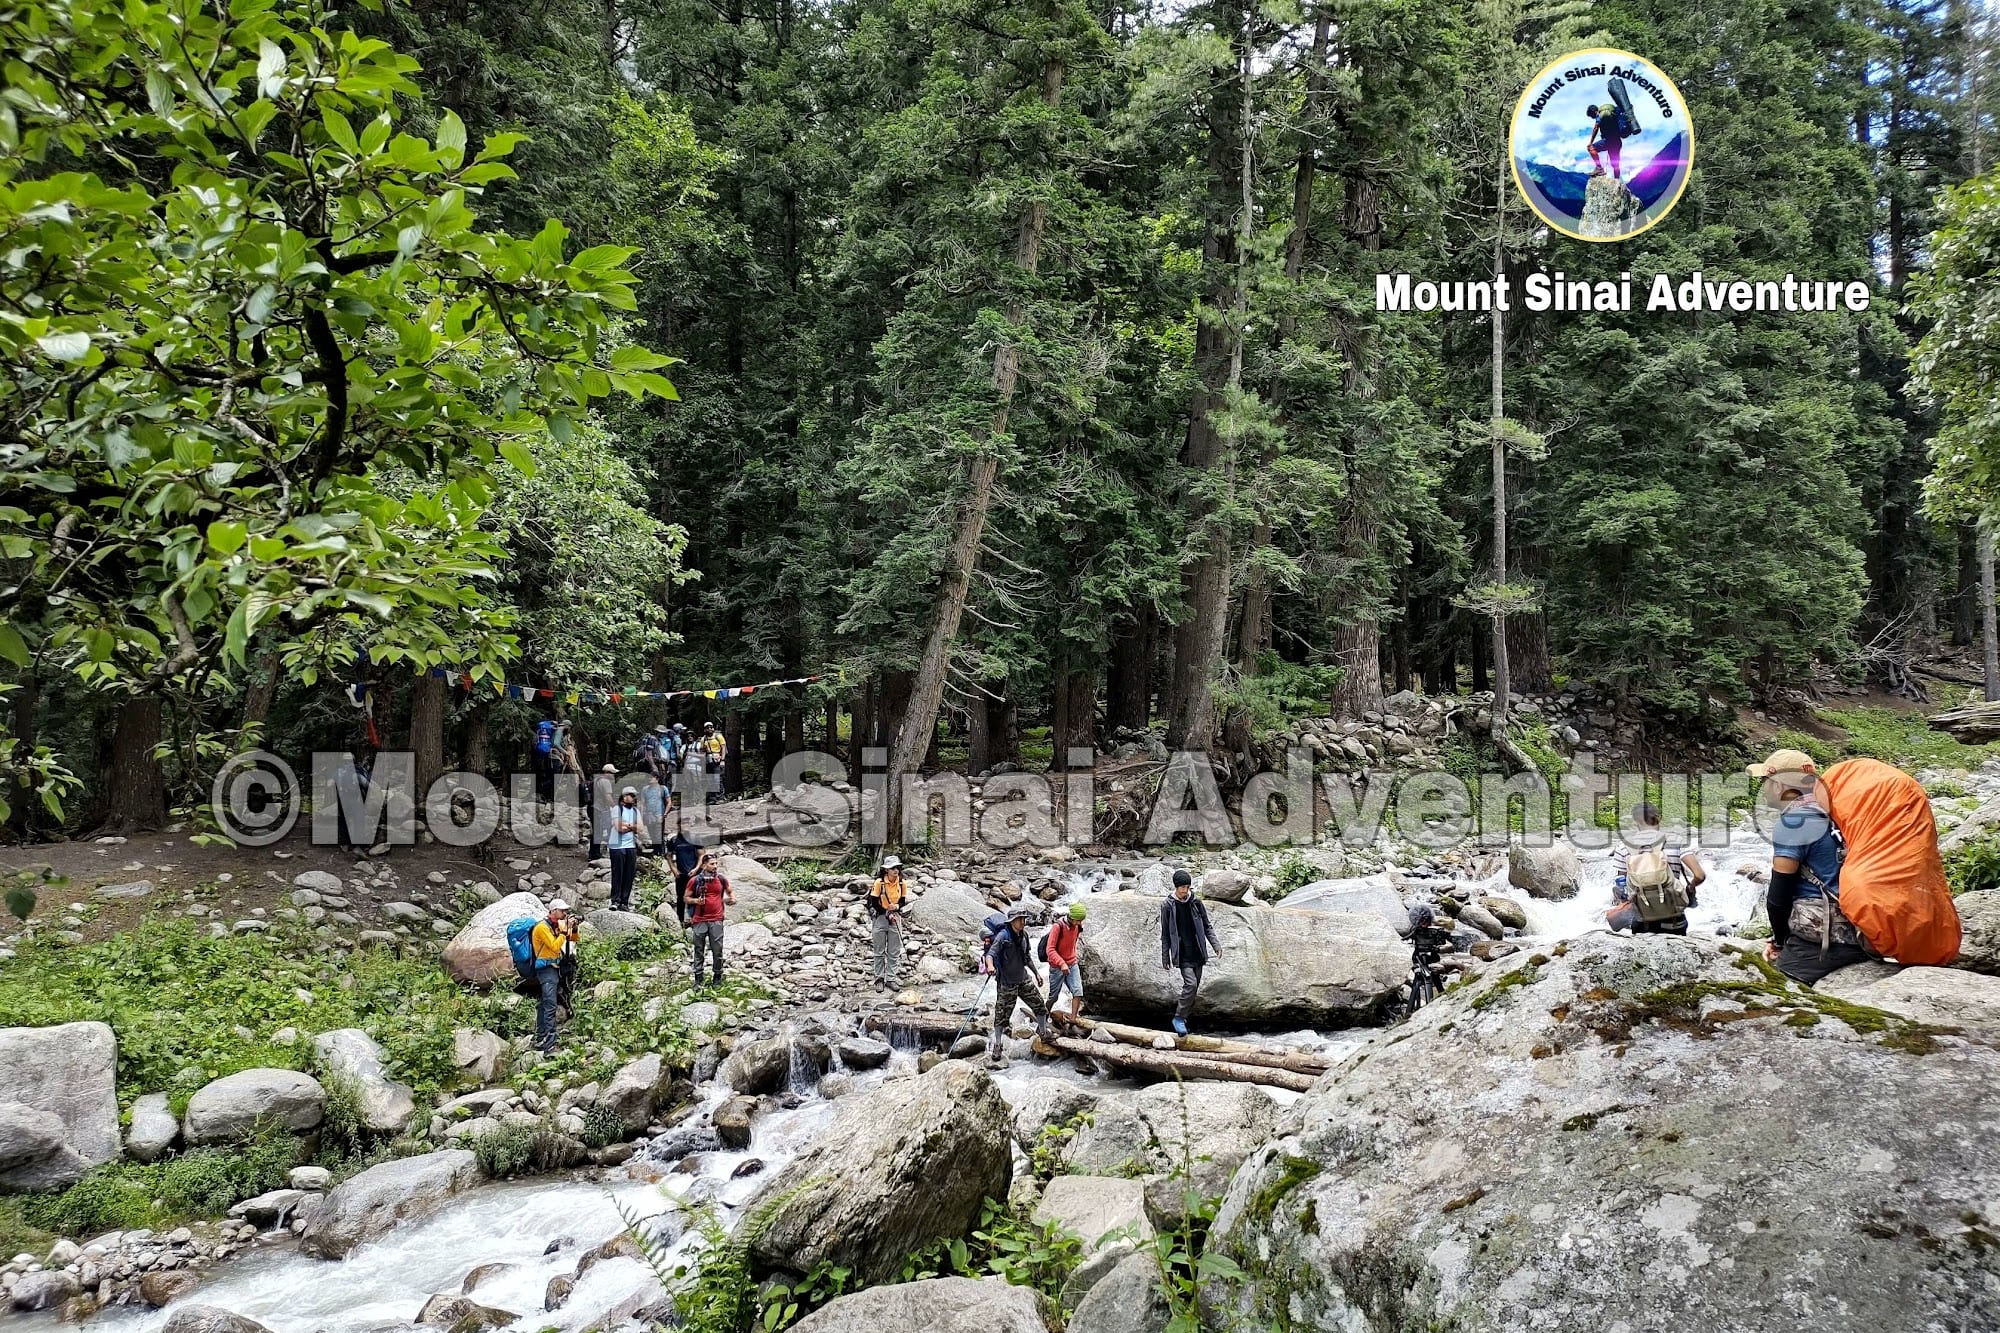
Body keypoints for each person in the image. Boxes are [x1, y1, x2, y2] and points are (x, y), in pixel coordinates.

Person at [1750, 748, 1872, 983]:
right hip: (1856, 931)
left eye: (1765, 780)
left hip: (1822, 942)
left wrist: (1781, 942)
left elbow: (1778, 897)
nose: (1762, 787)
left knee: (1776, 994)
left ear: (1777, 786)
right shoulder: (1830, 814)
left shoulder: (1794, 821)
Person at [1605, 801, 1707, 935]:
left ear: (1635, 821)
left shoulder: (1623, 847)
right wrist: (1690, 888)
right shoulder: (1676, 841)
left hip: (1641, 921)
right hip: (1674, 920)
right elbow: (1699, 875)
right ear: (1659, 818)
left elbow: (1621, 887)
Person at [983, 904, 1050, 1066]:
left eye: (1024, 919)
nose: (1023, 922)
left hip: (1023, 979)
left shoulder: (1024, 936)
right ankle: (997, 1045)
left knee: (1040, 1006)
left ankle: (1043, 1032)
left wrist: (1036, 974)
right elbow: (990, 955)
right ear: (1012, 921)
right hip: (1007, 983)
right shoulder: (1003, 936)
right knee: (1001, 1016)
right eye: (1020, 919)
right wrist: (990, 967)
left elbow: (1026, 957)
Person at [1159, 869, 1222, 1036]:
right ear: (1176, 887)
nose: (1185, 891)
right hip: (1182, 953)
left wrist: (1215, 945)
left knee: (1194, 989)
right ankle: (1178, 1018)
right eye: (1182, 887)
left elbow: (1207, 926)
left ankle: (1185, 1019)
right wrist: (1165, 956)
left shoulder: (1196, 902)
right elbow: (1165, 933)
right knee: (1190, 984)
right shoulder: (1167, 905)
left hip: (1198, 951)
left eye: (1187, 887)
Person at [530, 898, 579, 1054]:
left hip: (555, 969)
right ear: (553, 911)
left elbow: (573, 940)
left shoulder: (557, 925)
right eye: (562, 910)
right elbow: (554, 945)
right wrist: (564, 931)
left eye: (566, 911)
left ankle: (540, 1037)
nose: (565, 913)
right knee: (550, 1004)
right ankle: (549, 1044)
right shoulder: (542, 928)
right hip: (545, 970)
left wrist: (574, 929)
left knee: (544, 1003)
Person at [686, 849, 736, 987]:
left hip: (716, 919)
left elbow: (731, 894)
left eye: (716, 864)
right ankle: (698, 979)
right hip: (699, 919)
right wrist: (696, 901)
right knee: (698, 950)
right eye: (712, 864)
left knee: (717, 949)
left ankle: (717, 977)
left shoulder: (721, 879)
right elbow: (686, 898)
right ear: (704, 865)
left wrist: (731, 899)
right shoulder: (694, 881)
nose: (715, 866)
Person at [867, 855, 908, 990]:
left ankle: (891, 978)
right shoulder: (879, 883)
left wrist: (895, 908)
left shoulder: (902, 883)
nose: (896, 870)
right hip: (880, 918)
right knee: (879, 950)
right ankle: (879, 978)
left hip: (895, 918)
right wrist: (886, 913)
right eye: (893, 868)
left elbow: (902, 902)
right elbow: (873, 902)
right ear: (886, 870)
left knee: (894, 951)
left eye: (898, 868)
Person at [1045, 902, 1087, 1022]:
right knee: (1053, 997)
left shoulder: (1077, 926)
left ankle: (1073, 1019)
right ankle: (1043, 1016)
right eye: (1078, 920)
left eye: (1081, 920)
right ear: (1072, 917)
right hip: (1057, 966)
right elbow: (1050, 949)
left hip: (1072, 963)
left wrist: (1072, 957)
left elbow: (1072, 944)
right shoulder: (1058, 927)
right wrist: (1062, 963)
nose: (1080, 923)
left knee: (1078, 991)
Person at [608, 786, 642, 911]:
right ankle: (615, 900)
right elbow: (619, 828)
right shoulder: (617, 809)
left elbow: (641, 829)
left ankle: (624, 901)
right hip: (617, 846)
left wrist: (627, 825)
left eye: (634, 796)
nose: (633, 798)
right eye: (631, 795)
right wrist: (632, 826)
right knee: (618, 873)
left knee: (629, 874)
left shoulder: (635, 811)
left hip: (630, 846)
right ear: (624, 796)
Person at [666, 830, 704, 924]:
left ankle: (696, 919)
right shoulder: (674, 840)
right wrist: (673, 869)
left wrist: (696, 868)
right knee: (680, 898)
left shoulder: (695, 838)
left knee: (696, 895)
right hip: (681, 874)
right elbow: (669, 856)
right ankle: (680, 920)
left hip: (694, 873)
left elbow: (702, 855)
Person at [1585, 101, 1626, 179]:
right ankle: (1617, 181)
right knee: (1615, 164)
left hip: (1608, 141)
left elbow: (1596, 128)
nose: (1592, 117)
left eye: (1591, 115)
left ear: (1593, 112)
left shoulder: (1599, 115)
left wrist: (1590, 142)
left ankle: (1599, 168)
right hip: (1617, 142)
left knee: (1591, 148)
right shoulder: (1613, 114)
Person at [589, 763, 617, 860]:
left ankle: (593, 852)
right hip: (598, 809)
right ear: (607, 773)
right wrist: (614, 807)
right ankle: (595, 855)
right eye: (612, 773)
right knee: (599, 832)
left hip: (592, 807)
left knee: (596, 831)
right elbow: (608, 797)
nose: (613, 775)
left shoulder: (597, 779)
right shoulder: (606, 782)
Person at [641, 773, 671, 856]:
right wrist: (642, 814)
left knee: (659, 835)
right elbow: (642, 803)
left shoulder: (662, 788)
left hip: (659, 814)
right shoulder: (645, 789)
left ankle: (661, 853)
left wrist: (665, 813)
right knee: (652, 834)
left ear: (657, 779)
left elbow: (669, 801)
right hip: (649, 815)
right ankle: (655, 853)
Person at [699, 722, 728, 799]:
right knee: (710, 779)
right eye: (707, 728)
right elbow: (702, 750)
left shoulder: (718, 736)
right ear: (705, 729)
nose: (709, 729)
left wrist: (722, 760)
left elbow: (723, 748)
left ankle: (720, 796)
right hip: (708, 760)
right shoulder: (703, 739)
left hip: (717, 759)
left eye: (711, 727)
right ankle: (712, 797)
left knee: (717, 778)